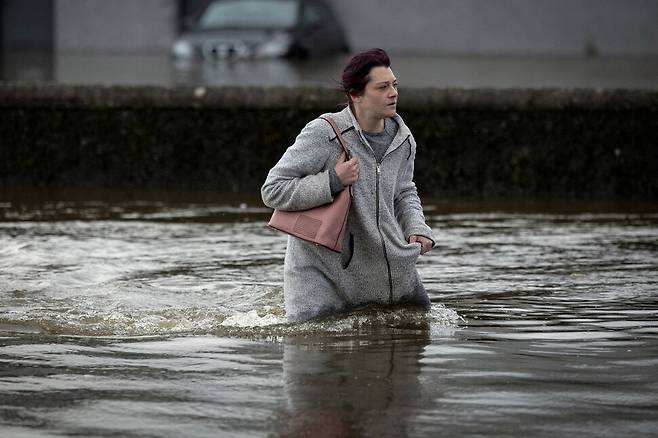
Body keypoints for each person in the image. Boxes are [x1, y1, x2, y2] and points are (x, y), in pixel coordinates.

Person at [262, 48, 435, 323]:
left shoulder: (403, 139)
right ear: (356, 94)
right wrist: (332, 181)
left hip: (384, 273)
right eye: (382, 87)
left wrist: (416, 227)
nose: (394, 93)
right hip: (321, 277)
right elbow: (273, 190)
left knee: (412, 339)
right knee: (319, 354)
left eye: (394, 84)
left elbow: (404, 191)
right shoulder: (324, 133)